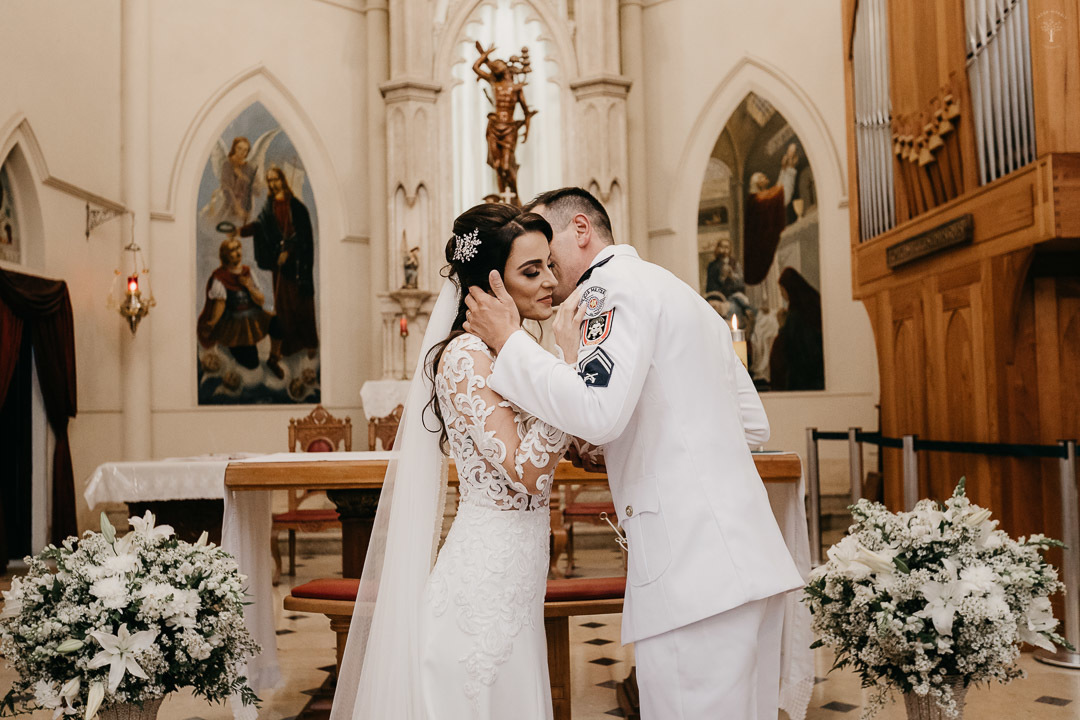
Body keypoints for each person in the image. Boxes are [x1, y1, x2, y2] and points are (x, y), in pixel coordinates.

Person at [463, 187, 804, 720]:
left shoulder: (608, 291)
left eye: (551, 259)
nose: (551, 279)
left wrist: (512, 342)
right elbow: (752, 424)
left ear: (581, 229)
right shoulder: (681, 292)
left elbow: (600, 411)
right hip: (746, 558)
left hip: (691, 575)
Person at [329, 203, 585, 720]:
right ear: (491, 284)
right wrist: (571, 367)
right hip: (482, 587)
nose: (550, 282)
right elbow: (529, 474)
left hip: (516, 579)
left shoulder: (510, 351)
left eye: (550, 267)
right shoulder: (466, 358)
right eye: (530, 271)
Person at [236, 165, 319, 378]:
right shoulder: (270, 206)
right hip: (280, 267)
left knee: (301, 305)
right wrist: (242, 231)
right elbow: (261, 226)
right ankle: (287, 348)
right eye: (269, 180)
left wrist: (289, 251)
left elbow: (303, 236)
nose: (273, 183)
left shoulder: (296, 207)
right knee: (283, 307)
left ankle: (309, 343)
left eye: (276, 179)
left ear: (282, 180)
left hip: (297, 267)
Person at [196, 237, 272, 370]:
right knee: (251, 363)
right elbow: (220, 303)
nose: (237, 252)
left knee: (278, 325)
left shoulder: (248, 272)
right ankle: (229, 351)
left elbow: (260, 300)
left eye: (238, 248)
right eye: (232, 250)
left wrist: (249, 287)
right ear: (225, 255)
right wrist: (213, 323)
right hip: (233, 323)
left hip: (253, 316)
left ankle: (274, 360)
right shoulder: (220, 277)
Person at [768, 266, 824, 391]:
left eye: (782, 290)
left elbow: (790, 345)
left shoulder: (796, 314)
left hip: (804, 378)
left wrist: (782, 326)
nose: (782, 294)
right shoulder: (809, 303)